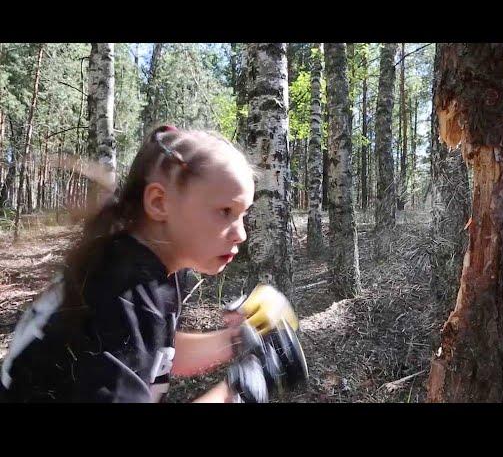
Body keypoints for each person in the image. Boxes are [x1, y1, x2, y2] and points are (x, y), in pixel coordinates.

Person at [0, 125, 288, 403]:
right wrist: (237, 394)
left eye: (242, 214)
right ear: (159, 202)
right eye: (225, 211)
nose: (241, 233)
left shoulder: (146, 269)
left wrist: (238, 340)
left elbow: (156, 352)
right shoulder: (124, 292)